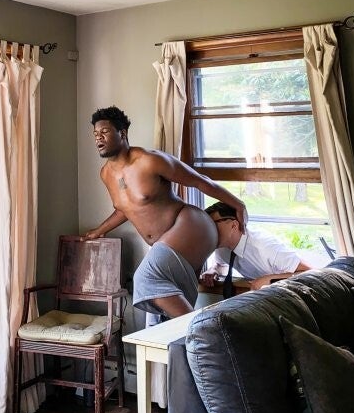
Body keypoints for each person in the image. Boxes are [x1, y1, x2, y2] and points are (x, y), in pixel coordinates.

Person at [85, 105, 249, 320]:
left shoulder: (150, 160)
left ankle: (205, 332)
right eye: (96, 133)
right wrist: (99, 230)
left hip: (191, 226)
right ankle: (197, 337)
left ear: (122, 133)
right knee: (162, 321)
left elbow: (199, 181)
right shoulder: (106, 174)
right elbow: (125, 208)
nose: (98, 137)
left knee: (146, 278)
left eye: (105, 131)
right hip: (170, 243)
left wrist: (238, 204)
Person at [200, 201, 312, 293]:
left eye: (212, 224)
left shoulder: (265, 247)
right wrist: (214, 270)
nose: (208, 230)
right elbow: (220, 264)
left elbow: (310, 274)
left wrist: (269, 280)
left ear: (234, 225)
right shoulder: (222, 248)